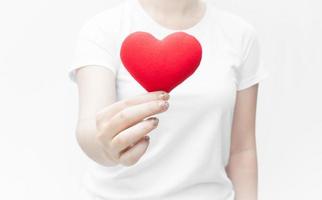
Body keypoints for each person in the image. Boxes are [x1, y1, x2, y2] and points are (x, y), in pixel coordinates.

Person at [67, 0, 270, 199]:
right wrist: (106, 148)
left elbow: (242, 151)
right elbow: (89, 126)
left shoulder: (239, 35)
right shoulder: (103, 29)